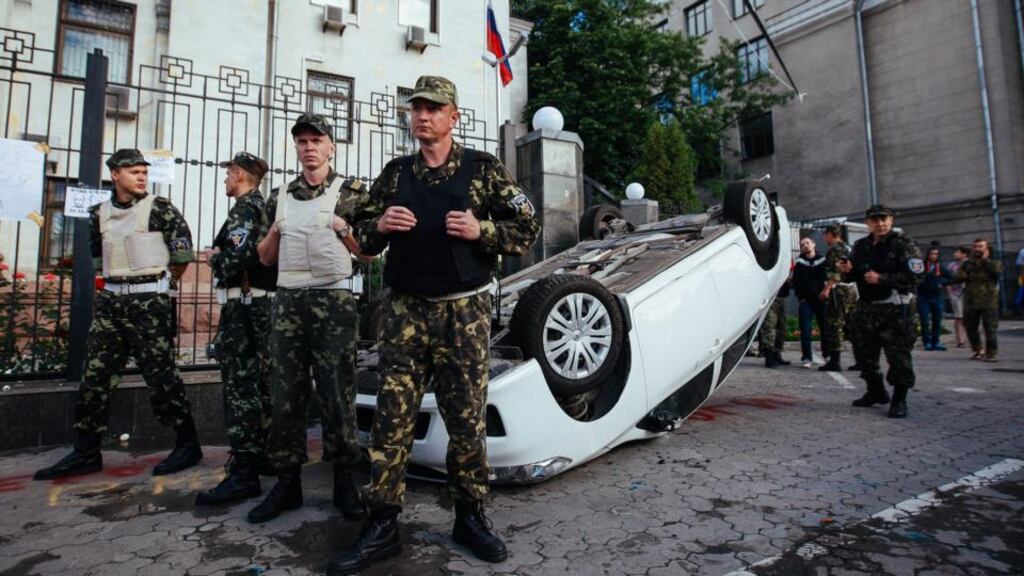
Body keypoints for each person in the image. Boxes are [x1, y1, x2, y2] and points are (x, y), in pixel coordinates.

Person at [328, 76, 540, 575]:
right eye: (416, 108)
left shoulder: (483, 170)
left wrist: (481, 230)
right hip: (404, 311)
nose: (422, 115)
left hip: (463, 312)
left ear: (454, 117)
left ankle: (470, 515)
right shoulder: (396, 173)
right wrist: (376, 227)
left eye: (434, 108)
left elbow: (527, 228)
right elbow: (363, 239)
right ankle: (382, 523)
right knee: (392, 416)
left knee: (466, 418)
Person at [34, 149, 202, 480]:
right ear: (115, 175)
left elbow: (182, 255)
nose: (142, 177)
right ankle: (86, 452)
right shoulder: (99, 213)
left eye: (144, 171)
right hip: (112, 302)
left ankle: (187, 444)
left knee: (161, 377)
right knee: (95, 377)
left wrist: (162, 285)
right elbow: (99, 260)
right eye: (134, 172)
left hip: (148, 303)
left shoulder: (160, 209)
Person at [248, 114, 366, 523]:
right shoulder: (278, 197)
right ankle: (287, 483)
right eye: (302, 141)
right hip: (288, 303)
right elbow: (263, 259)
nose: (309, 147)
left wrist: (343, 227)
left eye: (317, 140)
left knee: (337, 392)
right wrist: (277, 232)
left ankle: (345, 480)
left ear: (332, 146)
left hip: (333, 302)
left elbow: (367, 251)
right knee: (286, 395)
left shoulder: (350, 192)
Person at [194, 152, 277, 506]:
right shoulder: (260, 207)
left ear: (240, 174)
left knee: (240, 386)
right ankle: (264, 457)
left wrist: (216, 258)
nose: (226, 178)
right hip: (258, 304)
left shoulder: (245, 209)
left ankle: (244, 473)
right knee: (260, 383)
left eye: (228, 172)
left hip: (244, 307)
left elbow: (244, 256)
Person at [837, 204, 923, 418]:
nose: (880, 223)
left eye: (884, 219)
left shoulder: (904, 244)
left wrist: (882, 279)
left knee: (898, 356)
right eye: (875, 220)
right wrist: (847, 271)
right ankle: (875, 391)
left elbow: (916, 276)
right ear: (868, 223)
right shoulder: (861, 246)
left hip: (896, 308)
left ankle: (899, 399)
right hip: (867, 308)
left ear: (891, 220)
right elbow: (853, 274)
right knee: (864, 354)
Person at [952, 238, 1002, 362]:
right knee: (970, 326)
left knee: (990, 327)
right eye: (975, 246)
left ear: (986, 248)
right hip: (971, 300)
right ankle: (978, 350)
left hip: (988, 300)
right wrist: (964, 274)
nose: (977, 249)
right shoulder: (968, 263)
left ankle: (991, 353)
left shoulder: (993, 261)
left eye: (980, 246)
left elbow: (997, 272)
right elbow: (958, 277)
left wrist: (985, 260)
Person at [820, 224, 858, 371]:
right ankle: (861, 360)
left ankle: (835, 362)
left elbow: (836, 273)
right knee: (851, 325)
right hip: (851, 291)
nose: (824, 238)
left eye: (825, 235)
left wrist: (826, 289)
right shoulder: (848, 247)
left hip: (839, 291)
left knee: (835, 324)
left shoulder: (836, 250)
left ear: (831, 234)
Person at [792, 237, 830, 369]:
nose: (805, 246)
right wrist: (800, 297)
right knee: (805, 330)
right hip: (806, 301)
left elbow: (829, 277)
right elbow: (795, 282)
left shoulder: (823, 260)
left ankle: (827, 355)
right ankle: (807, 358)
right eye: (802, 245)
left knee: (825, 328)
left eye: (807, 243)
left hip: (821, 300)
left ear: (813, 244)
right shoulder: (799, 262)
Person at [916, 246, 952, 351]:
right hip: (923, 297)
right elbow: (914, 277)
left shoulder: (940, 267)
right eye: (931, 254)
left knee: (937, 321)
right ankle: (926, 342)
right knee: (925, 321)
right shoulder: (922, 266)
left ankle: (935, 342)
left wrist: (942, 283)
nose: (933, 256)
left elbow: (951, 277)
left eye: (935, 254)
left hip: (937, 297)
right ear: (928, 255)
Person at [760, 282, 791, 369]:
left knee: (782, 328)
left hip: (781, 296)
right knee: (769, 327)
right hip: (770, 297)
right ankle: (769, 357)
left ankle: (777, 354)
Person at [945, 247, 969, 348]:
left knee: (970, 317)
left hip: (969, 293)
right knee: (959, 317)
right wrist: (950, 292)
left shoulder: (970, 264)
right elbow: (947, 279)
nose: (955, 254)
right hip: (957, 294)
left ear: (964, 254)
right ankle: (960, 340)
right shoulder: (952, 266)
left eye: (957, 252)